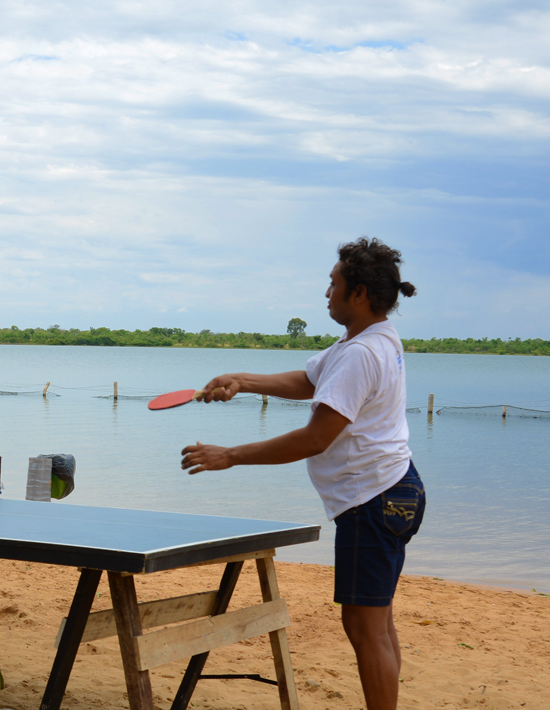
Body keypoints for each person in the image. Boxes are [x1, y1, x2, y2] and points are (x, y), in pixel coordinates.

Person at [180, 237, 424, 710]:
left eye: (333, 284)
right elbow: (310, 381)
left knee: (366, 629)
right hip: (397, 490)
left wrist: (230, 455)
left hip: (373, 501)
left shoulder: (361, 353)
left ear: (358, 293)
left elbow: (315, 438)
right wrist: (242, 380)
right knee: (377, 625)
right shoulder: (372, 338)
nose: (326, 293)